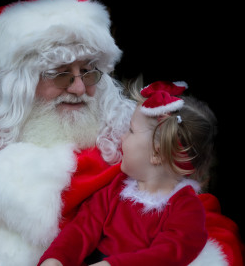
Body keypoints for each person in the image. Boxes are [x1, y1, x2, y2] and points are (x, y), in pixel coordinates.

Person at [0, 0, 243, 266]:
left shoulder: (127, 144)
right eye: (60, 74)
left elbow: (197, 219)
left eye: (88, 72)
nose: (78, 88)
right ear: (19, 87)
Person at [36, 81, 215, 266]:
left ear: (156, 153)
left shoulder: (186, 209)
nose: (122, 137)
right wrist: (57, 257)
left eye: (131, 131)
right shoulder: (115, 188)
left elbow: (167, 254)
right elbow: (82, 228)